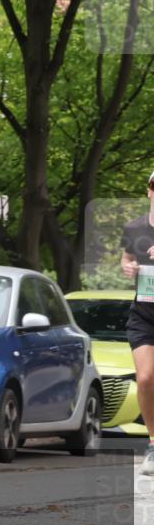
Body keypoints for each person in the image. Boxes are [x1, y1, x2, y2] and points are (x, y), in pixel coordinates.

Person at [120, 169, 154, 476]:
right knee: (145, 378)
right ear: (148, 191)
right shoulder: (135, 228)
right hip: (144, 313)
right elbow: (126, 259)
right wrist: (129, 267)